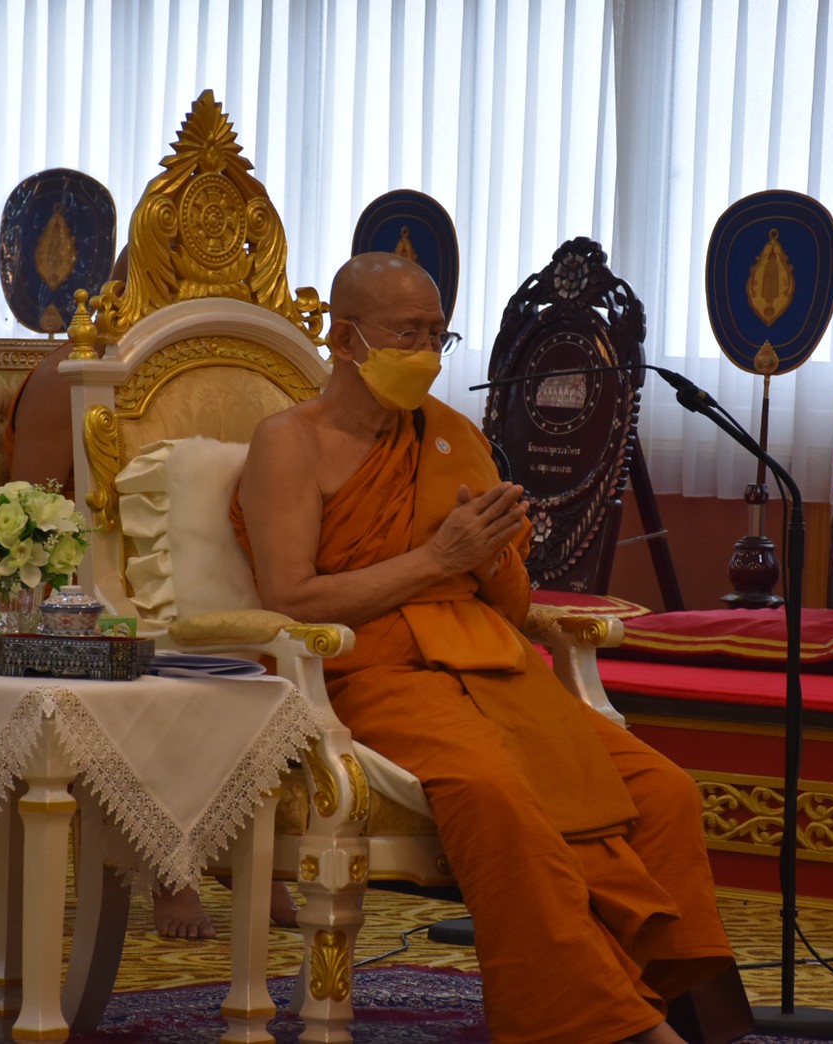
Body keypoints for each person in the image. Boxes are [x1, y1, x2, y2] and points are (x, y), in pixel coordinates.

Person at [232, 253, 755, 1043]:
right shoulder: (289, 442)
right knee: (496, 793)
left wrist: (491, 558)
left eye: (437, 335)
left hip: (492, 664)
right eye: (406, 334)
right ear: (345, 339)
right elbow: (291, 599)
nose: (427, 354)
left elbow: (507, 605)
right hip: (374, 669)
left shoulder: (450, 437)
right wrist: (437, 560)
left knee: (663, 790)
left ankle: (668, 998)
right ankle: (608, 1026)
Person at [5, 248, 296, 940]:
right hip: (86, 576)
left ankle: (256, 849)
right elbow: (28, 512)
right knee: (159, 638)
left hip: (208, 565)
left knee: (273, 642)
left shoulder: (245, 366)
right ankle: (174, 863)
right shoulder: (71, 373)